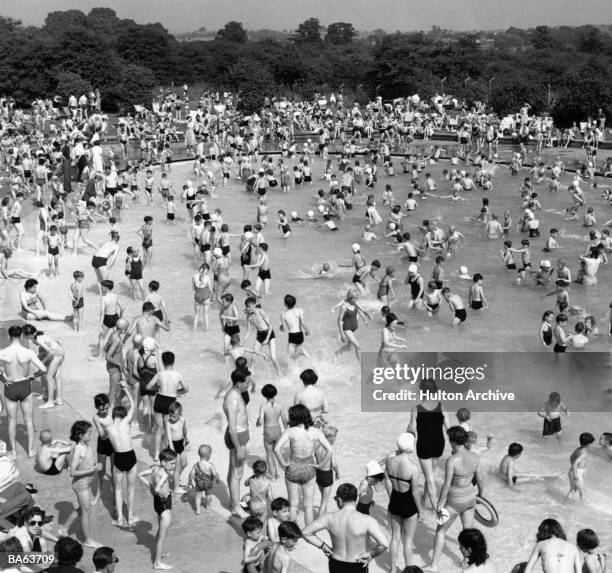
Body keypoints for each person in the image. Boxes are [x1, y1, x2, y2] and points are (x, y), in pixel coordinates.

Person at [427, 426, 484, 572]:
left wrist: (440, 503)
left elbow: (446, 485)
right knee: (468, 533)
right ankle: (466, 563)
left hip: (454, 501)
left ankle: (434, 566)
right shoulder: (475, 457)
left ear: (452, 441)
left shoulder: (452, 460)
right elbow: (480, 479)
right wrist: (481, 495)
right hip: (470, 499)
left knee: (440, 532)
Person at [302, 482, 389, 573]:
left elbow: (306, 532)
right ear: (355, 499)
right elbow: (384, 544)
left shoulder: (328, 518)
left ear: (339, 499)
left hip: (336, 563)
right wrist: (371, 554)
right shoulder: (367, 520)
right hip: (357, 563)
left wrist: (323, 546)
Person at [274, 404, 333, 525]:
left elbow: (276, 449)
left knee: (293, 503)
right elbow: (330, 450)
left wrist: (283, 463)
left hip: (293, 467)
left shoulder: (290, 431)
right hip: (309, 468)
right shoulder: (316, 432)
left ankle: (291, 531)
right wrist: (320, 465)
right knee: (308, 505)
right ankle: (309, 532)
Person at [0, 325, 47, 457]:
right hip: (25, 385)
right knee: (28, 420)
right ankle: (30, 451)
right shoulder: (28, 352)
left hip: (11, 386)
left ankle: (13, 451)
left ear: (9, 336)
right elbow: (43, 369)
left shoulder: (3, 353)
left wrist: (2, 378)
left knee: (11, 421)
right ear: (21, 336)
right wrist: (34, 376)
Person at [59, 421, 102, 548]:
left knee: (82, 508)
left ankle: (64, 529)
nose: (91, 435)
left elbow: (87, 463)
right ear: (80, 435)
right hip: (81, 484)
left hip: (87, 482)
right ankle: (88, 540)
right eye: (89, 433)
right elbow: (72, 472)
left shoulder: (87, 445)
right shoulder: (77, 450)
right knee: (86, 511)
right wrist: (92, 469)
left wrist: (93, 467)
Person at [408, 379, 449, 508]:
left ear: (421, 391)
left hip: (424, 446)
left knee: (430, 478)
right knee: (430, 473)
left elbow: (411, 429)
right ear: (435, 391)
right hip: (438, 444)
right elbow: (449, 427)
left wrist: (405, 446)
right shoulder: (441, 406)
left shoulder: (416, 409)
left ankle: (437, 510)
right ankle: (426, 500)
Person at [385, 432, 423, 571]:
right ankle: (409, 570)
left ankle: (393, 569)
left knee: (395, 538)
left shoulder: (390, 461)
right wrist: (421, 511)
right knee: (408, 541)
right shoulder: (413, 467)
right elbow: (414, 492)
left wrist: (391, 497)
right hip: (409, 506)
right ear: (411, 446)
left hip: (394, 502)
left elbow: (387, 480)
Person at [138, 448, 177, 570]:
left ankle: (158, 555)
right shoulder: (164, 474)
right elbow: (158, 488)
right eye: (172, 463)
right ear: (163, 462)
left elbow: (140, 475)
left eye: (175, 463)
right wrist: (161, 492)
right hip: (164, 504)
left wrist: (151, 486)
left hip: (157, 504)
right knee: (162, 535)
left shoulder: (155, 469)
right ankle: (157, 563)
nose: (174, 466)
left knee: (160, 531)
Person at [106, 381, 139, 527]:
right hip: (130, 456)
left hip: (118, 458)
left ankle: (119, 519)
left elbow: (109, 412)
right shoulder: (126, 422)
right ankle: (130, 517)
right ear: (124, 415)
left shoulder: (109, 428)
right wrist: (126, 391)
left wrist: (112, 400)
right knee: (130, 489)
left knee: (118, 490)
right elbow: (133, 405)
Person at [147, 351, 188, 462]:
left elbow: (148, 386)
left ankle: (156, 455)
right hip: (171, 402)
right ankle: (164, 454)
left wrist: (159, 390)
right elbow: (186, 389)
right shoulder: (178, 374)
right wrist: (177, 391)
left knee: (159, 430)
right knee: (167, 430)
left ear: (163, 362)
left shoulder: (160, 374)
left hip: (159, 400)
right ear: (173, 361)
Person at [223, 369, 251, 517]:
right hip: (237, 437)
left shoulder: (236, 394)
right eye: (247, 382)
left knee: (232, 470)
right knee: (237, 473)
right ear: (239, 383)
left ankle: (233, 502)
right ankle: (236, 508)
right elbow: (232, 429)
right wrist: (239, 448)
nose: (249, 384)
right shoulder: (232, 399)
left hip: (241, 434)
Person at [257, 384, 287, 481]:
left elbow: (260, 422)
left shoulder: (263, 406)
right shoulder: (280, 405)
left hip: (268, 431)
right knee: (277, 451)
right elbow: (284, 421)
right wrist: (287, 432)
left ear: (264, 395)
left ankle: (273, 476)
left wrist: (257, 421)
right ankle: (278, 471)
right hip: (277, 430)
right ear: (275, 393)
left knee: (269, 454)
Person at [337, 289, 371, 360]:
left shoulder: (355, 304)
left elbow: (362, 310)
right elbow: (339, 320)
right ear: (350, 298)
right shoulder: (344, 306)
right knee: (358, 346)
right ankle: (362, 365)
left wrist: (366, 317)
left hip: (353, 328)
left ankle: (337, 353)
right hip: (347, 328)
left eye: (357, 298)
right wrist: (342, 334)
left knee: (349, 348)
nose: (356, 300)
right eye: (355, 298)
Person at [188, 444, 220, 514]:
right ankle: (208, 506)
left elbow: (191, 474)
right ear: (208, 455)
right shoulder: (210, 465)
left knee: (198, 496)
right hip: (208, 483)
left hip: (199, 483)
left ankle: (198, 510)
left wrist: (190, 482)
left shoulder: (196, 465)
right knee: (208, 495)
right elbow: (215, 474)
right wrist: (218, 480)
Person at [280, 294, 311, 359]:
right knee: (295, 355)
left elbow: (284, 329)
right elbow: (302, 322)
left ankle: (301, 352)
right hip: (300, 334)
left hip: (292, 335)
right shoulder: (300, 310)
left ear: (285, 304)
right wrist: (308, 331)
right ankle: (296, 367)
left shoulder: (283, 314)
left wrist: (281, 327)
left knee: (289, 357)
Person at [567, 432, 595, 500]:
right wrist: (575, 474)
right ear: (589, 444)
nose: (591, 444)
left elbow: (571, 457)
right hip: (577, 473)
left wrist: (573, 470)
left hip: (574, 471)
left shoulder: (578, 449)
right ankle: (582, 508)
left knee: (573, 490)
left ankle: (565, 503)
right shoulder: (584, 453)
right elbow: (575, 463)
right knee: (582, 492)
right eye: (591, 443)